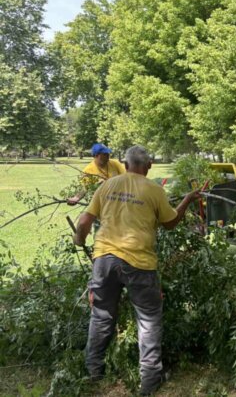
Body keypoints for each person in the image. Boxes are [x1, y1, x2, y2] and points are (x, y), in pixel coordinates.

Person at [74, 145, 201, 395]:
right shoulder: (154, 189)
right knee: (148, 319)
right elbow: (171, 223)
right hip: (139, 264)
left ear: (125, 163)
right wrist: (187, 199)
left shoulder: (107, 185)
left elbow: (84, 221)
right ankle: (150, 381)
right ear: (150, 165)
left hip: (104, 260)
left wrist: (79, 241)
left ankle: (93, 371)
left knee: (101, 315)